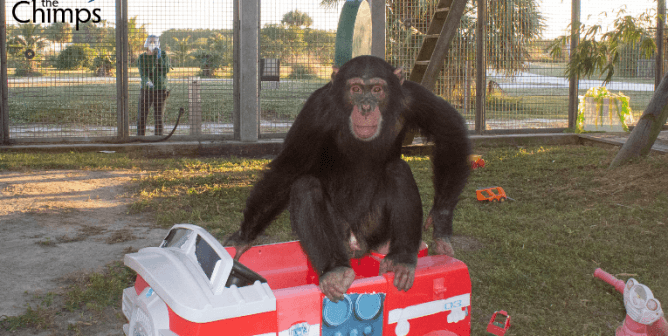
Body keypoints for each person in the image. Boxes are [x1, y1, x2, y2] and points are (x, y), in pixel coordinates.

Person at [137, 35, 170, 136]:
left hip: (160, 90)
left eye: (154, 42)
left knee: (159, 116)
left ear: (158, 44)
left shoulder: (163, 55)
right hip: (146, 90)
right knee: (142, 115)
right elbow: (143, 73)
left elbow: (165, 70)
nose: (152, 44)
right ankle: (140, 137)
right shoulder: (142, 57)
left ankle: (158, 138)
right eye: (150, 42)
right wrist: (147, 82)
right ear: (146, 43)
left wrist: (158, 58)